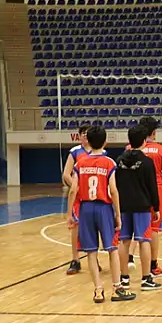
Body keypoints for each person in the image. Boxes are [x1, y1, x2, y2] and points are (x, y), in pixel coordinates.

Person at [66, 126, 133, 303]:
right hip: (104, 208)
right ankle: (117, 287)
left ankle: (97, 290)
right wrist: (118, 215)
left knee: (91, 252)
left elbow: (73, 190)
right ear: (104, 141)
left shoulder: (80, 163)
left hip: (86, 209)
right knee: (111, 249)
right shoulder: (109, 163)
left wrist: (70, 213)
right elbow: (114, 190)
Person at [116, 125, 162, 292]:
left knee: (124, 241)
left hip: (124, 206)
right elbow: (152, 187)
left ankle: (124, 278)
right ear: (144, 141)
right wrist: (156, 207)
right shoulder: (147, 162)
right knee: (144, 241)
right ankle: (146, 278)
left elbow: (116, 185)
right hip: (142, 205)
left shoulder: (119, 160)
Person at [139, 116, 162, 279]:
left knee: (134, 230)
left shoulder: (130, 148)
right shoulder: (161, 150)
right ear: (154, 132)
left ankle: (125, 268)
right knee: (154, 229)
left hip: (136, 190)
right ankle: (153, 265)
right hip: (155, 190)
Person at [62, 124, 92, 275]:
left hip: (94, 196)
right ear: (79, 136)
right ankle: (75, 260)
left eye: (88, 134)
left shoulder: (100, 151)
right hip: (79, 196)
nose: (86, 136)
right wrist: (76, 187)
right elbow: (66, 174)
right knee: (75, 227)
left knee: (93, 228)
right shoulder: (75, 152)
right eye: (83, 134)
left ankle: (94, 259)